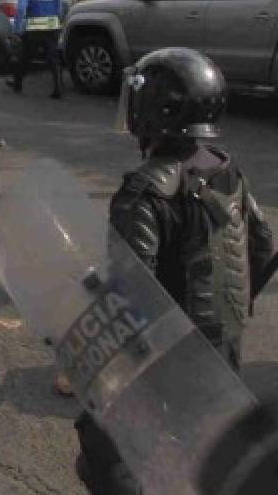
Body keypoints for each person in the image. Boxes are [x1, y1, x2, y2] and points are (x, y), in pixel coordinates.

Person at [75, 48, 274, 495]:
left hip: (168, 348)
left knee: (106, 449)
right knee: (206, 447)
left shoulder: (143, 192)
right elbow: (263, 246)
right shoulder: (224, 169)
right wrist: (232, 312)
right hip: (222, 341)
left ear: (156, 110)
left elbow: (134, 288)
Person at [8, 0, 65, 99]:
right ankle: (58, 89)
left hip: (34, 29)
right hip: (52, 28)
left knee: (26, 57)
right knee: (53, 59)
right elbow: (59, 10)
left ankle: (17, 84)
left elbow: (21, 10)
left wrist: (17, 29)